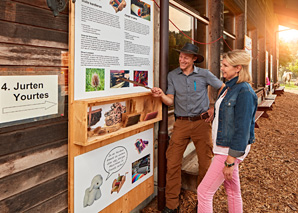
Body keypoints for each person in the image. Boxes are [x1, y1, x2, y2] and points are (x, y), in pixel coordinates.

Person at [151, 42, 224, 213]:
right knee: (173, 163)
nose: (182, 59)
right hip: (181, 124)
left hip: (201, 123)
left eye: (186, 57)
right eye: (181, 56)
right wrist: (161, 95)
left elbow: (223, 87)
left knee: (205, 163)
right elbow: (170, 100)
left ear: (194, 59)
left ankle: (203, 202)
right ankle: (171, 205)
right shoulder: (172, 76)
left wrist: (214, 107)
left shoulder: (204, 74)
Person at [197, 50, 258, 213]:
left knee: (203, 192)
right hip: (225, 147)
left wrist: (230, 160)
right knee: (232, 191)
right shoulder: (229, 87)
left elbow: (243, 128)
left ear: (238, 68)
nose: (222, 69)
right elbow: (229, 115)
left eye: (225, 65)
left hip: (228, 150)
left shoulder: (244, 91)